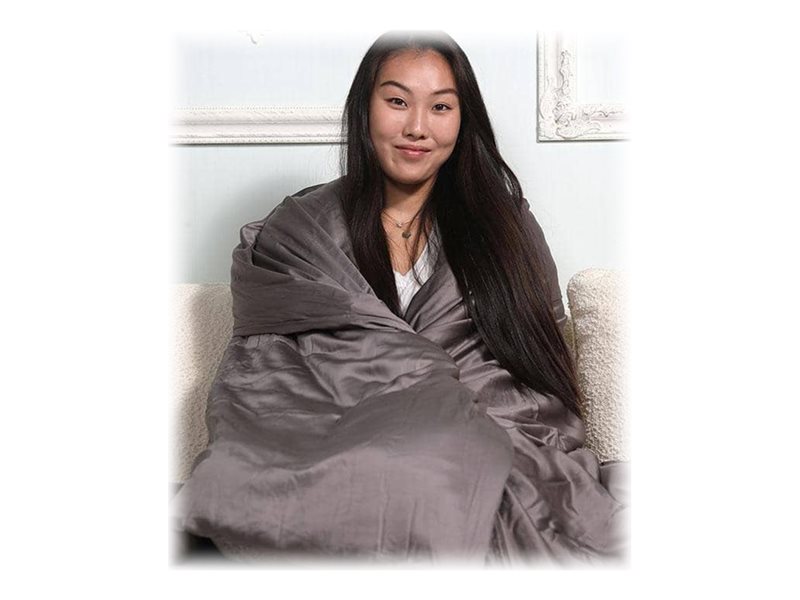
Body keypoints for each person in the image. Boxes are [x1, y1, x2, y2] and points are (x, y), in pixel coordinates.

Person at [171, 30, 628, 565]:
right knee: (361, 468)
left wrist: (446, 418)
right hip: (332, 447)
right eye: (397, 101)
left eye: (441, 107)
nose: (417, 127)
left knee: (430, 461)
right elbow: (265, 377)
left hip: (492, 444)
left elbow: (537, 376)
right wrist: (402, 407)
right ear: (364, 108)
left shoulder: (507, 230)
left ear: (464, 120)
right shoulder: (299, 231)